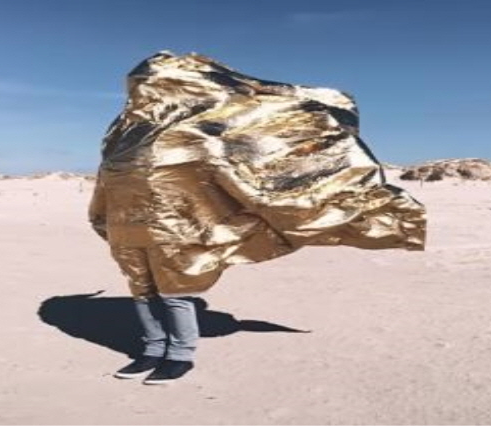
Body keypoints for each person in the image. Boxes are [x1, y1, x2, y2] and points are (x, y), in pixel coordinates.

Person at [88, 51, 426, 385]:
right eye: (139, 83)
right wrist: (100, 215)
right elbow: (106, 177)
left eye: (150, 82)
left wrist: (274, 203)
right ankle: (152, 349)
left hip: (173, 227)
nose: (143, 89)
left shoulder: (192, 129)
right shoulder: (124, 133)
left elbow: (230, 166)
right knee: (142, 292)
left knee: (175, 293)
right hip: (125, 227)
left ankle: (179, 354)